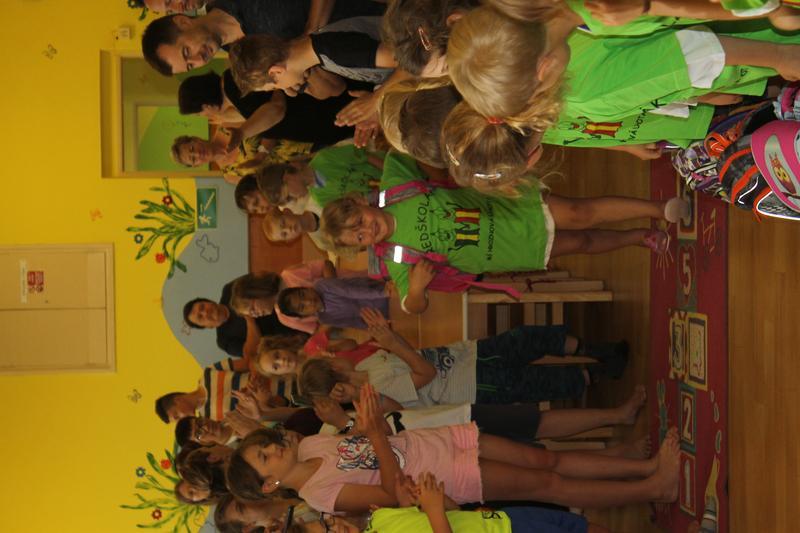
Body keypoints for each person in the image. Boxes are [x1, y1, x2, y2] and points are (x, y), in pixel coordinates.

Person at [225, 385, 681, 514]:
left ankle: (644, 467)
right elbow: (391, 495)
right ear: (270, 484)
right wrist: (377, 436)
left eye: (265, 446)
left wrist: (366, 423)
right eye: (265, 458)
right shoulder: (318, 495)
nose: (274, 450)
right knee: (549, 485)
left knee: (547, 457)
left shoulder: (310, 442)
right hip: (444, 479)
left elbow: (369, 442)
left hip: (440, 441)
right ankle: (652, 489)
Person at [322, 153, 687, 313]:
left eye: (359, 221)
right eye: (359, 238)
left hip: (509, 206)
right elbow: (411, 307)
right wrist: (416, 290)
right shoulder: (396, 259)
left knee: (580, 212)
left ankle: (658, 209)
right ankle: (639, 237)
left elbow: (406, 146)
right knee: (582, 242)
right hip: (512, 249)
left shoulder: (395, 186)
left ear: (360, 202)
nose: (366, 230)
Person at [299, 307, 624, 406]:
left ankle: (597, 350)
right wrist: (394, 344)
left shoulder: (366, 364)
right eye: (329, 359)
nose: (336, 354)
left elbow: (411, 354)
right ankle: (602, 372)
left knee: (528, 338)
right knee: (539, 383)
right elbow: (425, 374)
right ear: (334, 371)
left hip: (469, 354)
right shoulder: (375, 392)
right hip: (470, 386)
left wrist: (391, 337)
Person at [141, 0, 385, 75]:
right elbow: (327, 88)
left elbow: (310, 45)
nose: (199, 59)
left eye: (187, 51)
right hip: (381, 49)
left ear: (183, 21)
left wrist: (308, 37)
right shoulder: (243, 59)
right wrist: (297, 80)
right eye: (191, 65)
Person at [178, 69, 357, 151]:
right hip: (341, 112)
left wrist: (241, 133)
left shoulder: (237, 88)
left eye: (200, 114)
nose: (205, 116)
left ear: (205, 105)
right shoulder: (234, 86)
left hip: (342, 105)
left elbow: (276, 109)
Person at [250, 144, 382, 215]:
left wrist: (389, 175)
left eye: (288, 196)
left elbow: (367, 157)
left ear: (287, 178)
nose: (294, 199)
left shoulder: (324, 159)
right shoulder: (321, 199)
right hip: (382, 200)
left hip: (386, 169)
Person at [183, 276, 296, 358]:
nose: (205, 313)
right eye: (200, 317)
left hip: (288, 303)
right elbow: (252, 353)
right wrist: (248, 318)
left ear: (209, 301)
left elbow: (264, 281)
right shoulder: (224, 340)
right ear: (207, 327)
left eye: (202, 307)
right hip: (291, 336)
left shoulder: (230, 289)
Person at [154, 359, 295, 422]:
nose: (182, 419)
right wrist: (262, 401)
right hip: (289, 404)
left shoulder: (209, 372)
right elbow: (256, 419)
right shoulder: (209, 420)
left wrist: (256, 377)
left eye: (177, 415)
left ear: (177, 400)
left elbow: (249, 362)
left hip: (288, 374)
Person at [171, 133, 312, 184]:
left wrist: (261, 155)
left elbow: (269, 123)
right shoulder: (230, 175)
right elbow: (268, 182)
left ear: (195, 139)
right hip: (306, 166)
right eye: (193, 159)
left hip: (297, 133)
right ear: (197, 165)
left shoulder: (226, 126)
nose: (197, 154)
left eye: (192, 148)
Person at [276, 278, 389, 330]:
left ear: (305, 288)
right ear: (304, 316)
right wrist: (376, 326)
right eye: (302, 307)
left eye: (302, 294)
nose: (308, 301)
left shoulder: (322, 286)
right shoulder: (325, 319)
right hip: (383, 315)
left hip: (381, 293)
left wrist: (383, 293)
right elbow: (354, 322)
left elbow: (353, 291)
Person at [213, 494, 318, 533]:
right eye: (241, 507)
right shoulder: (290, 528)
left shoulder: (281, 487)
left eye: (241, 497)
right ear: (248, 527)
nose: (246, 499)